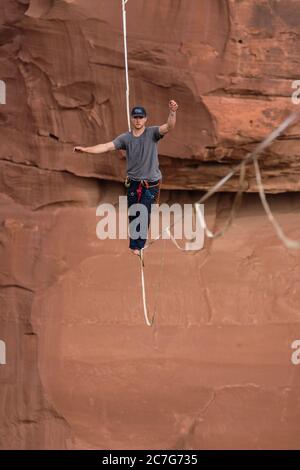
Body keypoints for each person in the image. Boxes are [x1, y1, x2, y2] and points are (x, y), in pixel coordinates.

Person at [74, 100, 178, 256]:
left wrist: (172, 112)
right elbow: (106, 146)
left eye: (141, 117)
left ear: (145, 119)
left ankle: (138, 246)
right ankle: (134, 244)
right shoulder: (126, 138)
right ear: (132, 118)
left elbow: (169, 127)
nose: (138, 120)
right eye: (135, 117)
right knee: (133, 213)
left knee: (143, 211)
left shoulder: (152, 133)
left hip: (150, 183)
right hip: (134, 182)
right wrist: (86, 150)